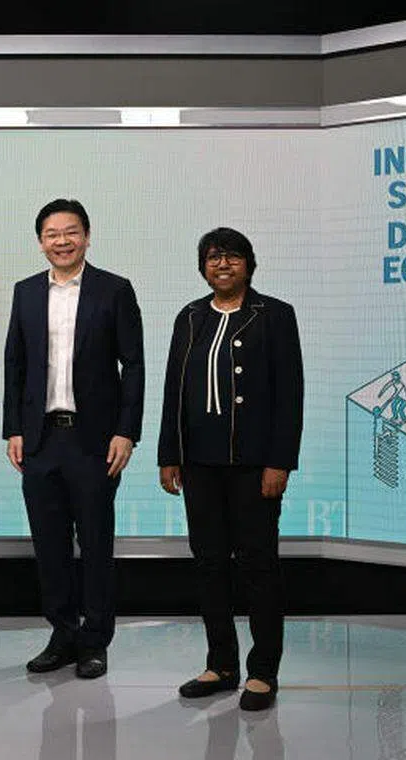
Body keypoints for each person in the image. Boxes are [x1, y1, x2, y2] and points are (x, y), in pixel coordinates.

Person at [157, 227, 303, 711]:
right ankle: (221, 665)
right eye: (213, 258)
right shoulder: (191, 316)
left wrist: (280, 461)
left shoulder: (275, 316)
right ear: (202, 267)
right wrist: (168, 454)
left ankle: (263, 671)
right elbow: (173, 390)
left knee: (260, 566)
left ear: (249, 264)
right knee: (210, 565)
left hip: (254, 466)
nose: (223, 264)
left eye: (232, 257)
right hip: (199, 465)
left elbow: (290, 395)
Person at [3, 198, 144, 679]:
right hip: (41, 439)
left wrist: (127, 431)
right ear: (40, 241)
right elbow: (14, 364)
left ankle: (95, 640)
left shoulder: (114, 290)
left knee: (97, 543)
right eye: (51, 234)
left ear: (87, 235)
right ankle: (62, 633)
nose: (61, 241)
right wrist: (14, 430)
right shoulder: (25, 292)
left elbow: (135, 365)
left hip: (94, 440)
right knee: (50, 544)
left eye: (70, 232)